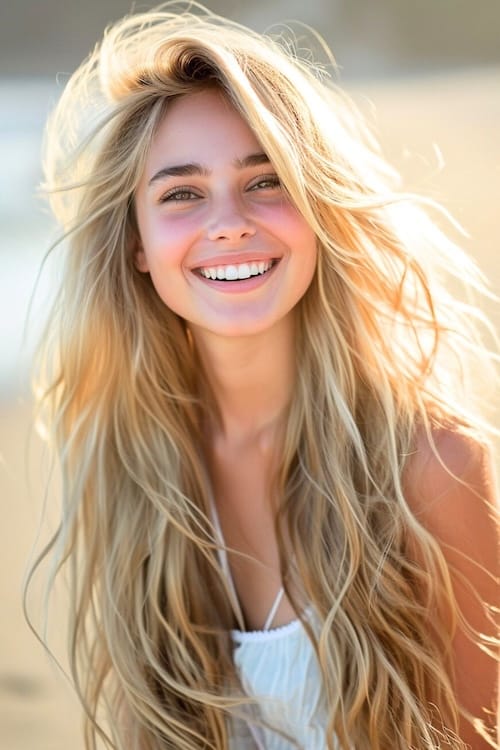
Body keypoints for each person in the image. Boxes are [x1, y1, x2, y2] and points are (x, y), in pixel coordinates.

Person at [29, 3, 498, 749]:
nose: (229, 222)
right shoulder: (135, 465)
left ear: (318, 210)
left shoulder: (428, 467)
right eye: (181, 194)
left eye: (266, 180)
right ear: (138, 245)